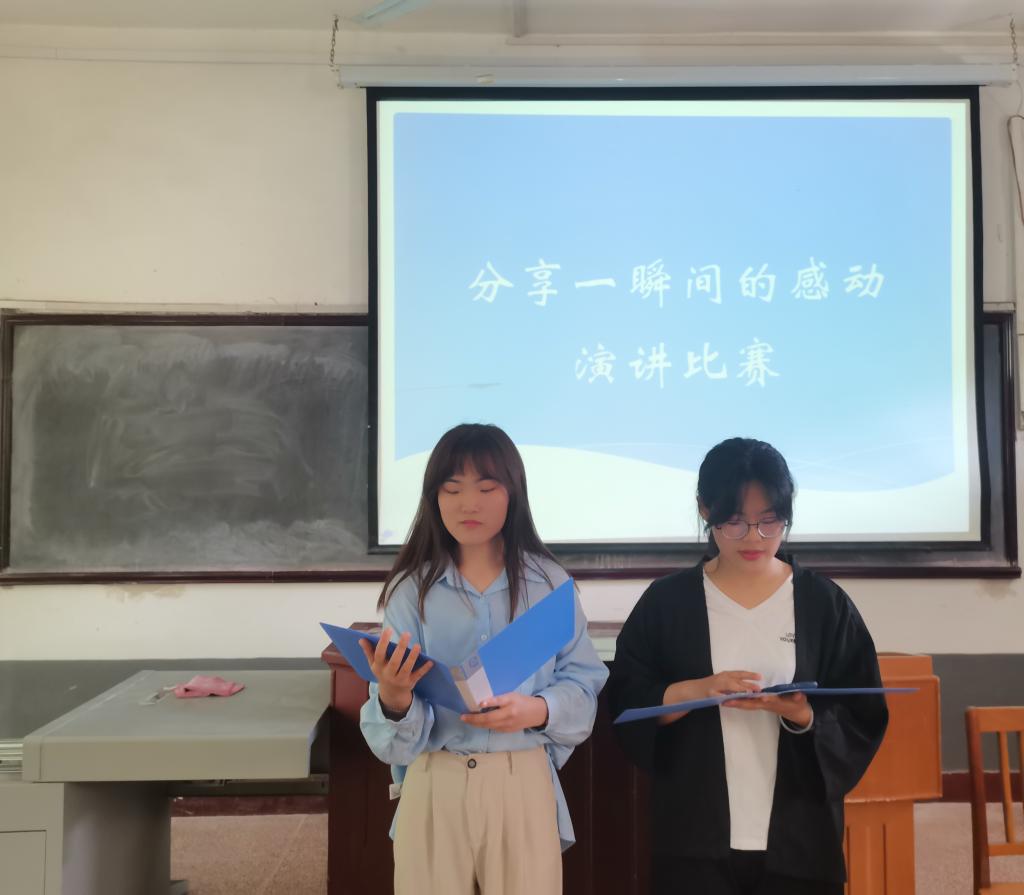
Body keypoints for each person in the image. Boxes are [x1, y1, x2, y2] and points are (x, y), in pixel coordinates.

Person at [606, 437, 888, 895]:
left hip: (800, 841)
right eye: (734, 521)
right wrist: (694, 691)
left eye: (769, 521)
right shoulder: (667, 602)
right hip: (693, 840)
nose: (754, 537)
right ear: (705, 510)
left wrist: (802, 714)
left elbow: (863, 713)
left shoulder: (824, 604)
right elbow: (625, 700)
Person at [359, 423, 608, 895]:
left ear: (513, 493)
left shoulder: (550, 585)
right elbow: (391, 746)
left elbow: (583, 688)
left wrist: (536, 710)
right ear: (434, 498)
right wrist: (393, 698)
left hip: (521, 776)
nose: (468, 504)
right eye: (452, 489)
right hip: (435, 778)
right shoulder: (411, 591)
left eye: (487, 488)